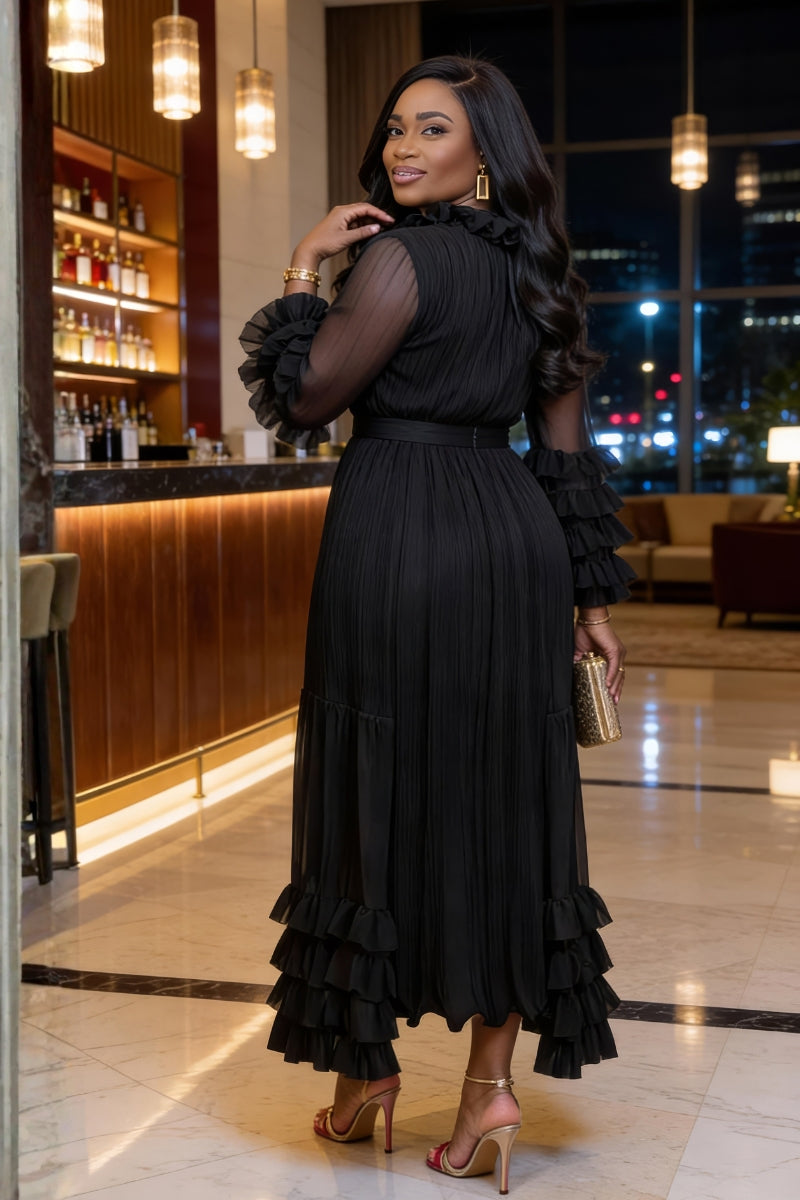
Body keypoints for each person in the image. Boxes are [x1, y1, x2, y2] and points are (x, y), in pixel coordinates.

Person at [239, 54, 635, 1196]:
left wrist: (306, 263)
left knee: (370, 784)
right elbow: (562, 459)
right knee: (507, 795)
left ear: (481, 152)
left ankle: (363, 1078)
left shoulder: (395, 258)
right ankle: (486, 1093)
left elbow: (308, 395)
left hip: (396, 534)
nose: (404, 149)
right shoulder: (543, 274)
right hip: (508, 542)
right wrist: (589, 602)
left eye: (431, 131)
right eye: (396, 129)